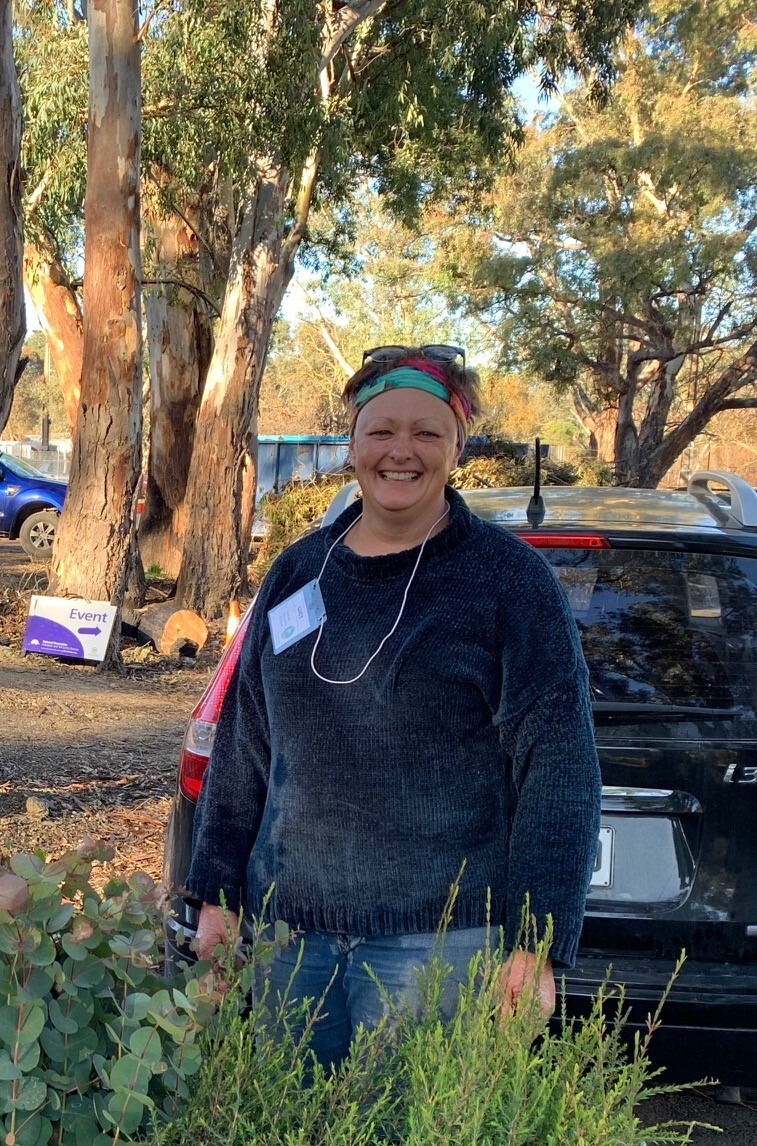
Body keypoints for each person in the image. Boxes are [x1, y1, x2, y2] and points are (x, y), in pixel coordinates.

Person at [186, 345, 601, 1065]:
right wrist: (216, 896)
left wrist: (536, 946)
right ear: (352, 443)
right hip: (289, 938)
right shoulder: (297, 571)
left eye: (425, 432)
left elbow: (560, 771)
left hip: (437, 949)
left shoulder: (509, 584)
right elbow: (243, 745)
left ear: (457, 446)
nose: (400, 451)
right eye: (381, 431)